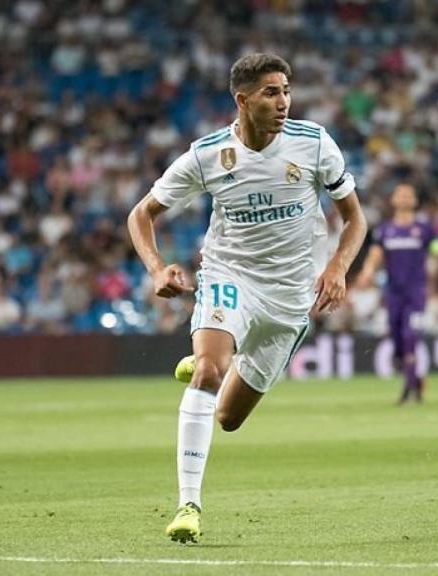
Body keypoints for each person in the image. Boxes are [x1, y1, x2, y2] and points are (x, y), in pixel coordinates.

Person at [127, 53, 367, 544]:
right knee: (210, 375)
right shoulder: (207, 154)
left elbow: (355, 218)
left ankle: (207, 358)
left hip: (290, 298)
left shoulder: (315, 143)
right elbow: (141, 214)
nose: (284, 102)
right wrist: (157, 269)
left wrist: (338, 267)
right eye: (271, 93)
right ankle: (187, 504)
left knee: (228, 418)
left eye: (286, 91)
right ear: (243, 100)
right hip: (229, 275)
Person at [355, 183, 438, 404]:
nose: (404, 198)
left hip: (416, 294)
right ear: (393, 200)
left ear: (414, 201)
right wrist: (367, 272)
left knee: (409, 337)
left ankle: (409, 390)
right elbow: (375, 256)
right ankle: (415, 379)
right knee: (397, 343)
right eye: (401, 194)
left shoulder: (424, 229)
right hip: (393, 294)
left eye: (408, 195)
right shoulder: (384, 230)